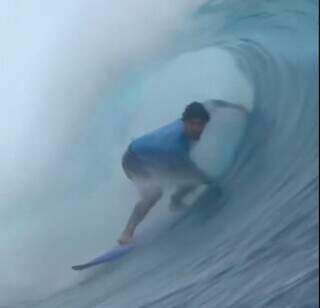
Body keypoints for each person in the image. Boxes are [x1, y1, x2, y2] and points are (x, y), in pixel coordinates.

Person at [118, 102, 213, 245]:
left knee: (191, 178)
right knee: (155, 193)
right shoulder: (175, 146)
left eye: (200, 124)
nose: (197, 128)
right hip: (133, 161)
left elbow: (212, 104)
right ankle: (126, 233)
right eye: (193, 124)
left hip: (153, 158)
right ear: (184, 123)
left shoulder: (186, 132)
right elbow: (193, 172)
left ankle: (175, 202)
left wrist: (235, 107)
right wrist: (213, 182)